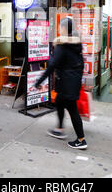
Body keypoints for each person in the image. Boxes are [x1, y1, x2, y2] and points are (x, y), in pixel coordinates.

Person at [34, 17, 87, 150]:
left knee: (72, 109)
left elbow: (52, 64)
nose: (58, 29)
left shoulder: (62, 44)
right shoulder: (76, 43)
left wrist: (39, 81)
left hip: (66, 82)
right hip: (72, 81)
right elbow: (80, 63)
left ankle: (81, 139)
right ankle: (59, 129)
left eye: (60, 27)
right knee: (59, 102)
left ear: (64, 28)